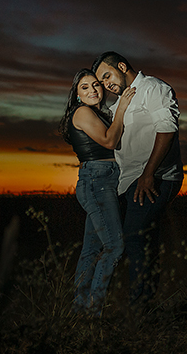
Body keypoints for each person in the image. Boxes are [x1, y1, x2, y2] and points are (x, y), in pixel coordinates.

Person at [92, 51, 183, 305]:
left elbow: (167, 129)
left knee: (133, 236)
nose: (107, 84)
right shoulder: (117, 103)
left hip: (157, 177)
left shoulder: (153, 88)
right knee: (137, 240)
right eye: (102, 82)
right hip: (128, 182)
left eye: (108, 76)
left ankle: (139, 308)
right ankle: (142, 305)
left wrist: (148, 174)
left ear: (122, 66)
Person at [58, 68, 136, 313]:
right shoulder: (81, 112)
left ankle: (79, 310)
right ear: (77, 94)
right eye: (85, 87)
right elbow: (110, 141)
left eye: (96, 85)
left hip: (104, 180)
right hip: (96, 181)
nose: (93, 90)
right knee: (114, 247)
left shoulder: (98, 114)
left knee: (92, 250)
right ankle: (93, 310)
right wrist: (122, 108)